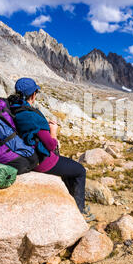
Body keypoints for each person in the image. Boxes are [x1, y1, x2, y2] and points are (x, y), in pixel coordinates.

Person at [8, 77, 95, 222]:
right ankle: (79, 213)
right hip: (39, 160)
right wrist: (52, 130)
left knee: (69, 168)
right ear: (33, 94)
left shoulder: (14, 109)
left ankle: (71, 202)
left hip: (23, 157)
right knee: (79, 171)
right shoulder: (31, 115)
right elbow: (51, 145)